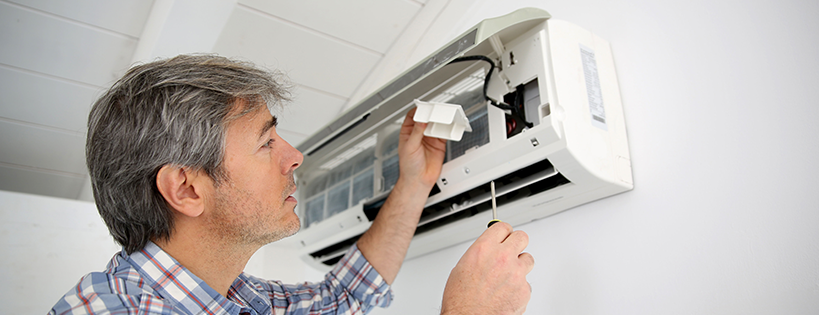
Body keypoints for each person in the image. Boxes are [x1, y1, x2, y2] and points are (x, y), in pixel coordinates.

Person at [50, 54, 534, 314]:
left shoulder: (240, 299)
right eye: (266, 143)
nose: (294, 156)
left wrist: (413, 184)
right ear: (187, 190)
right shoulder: (108, 311)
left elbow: (341, 299)